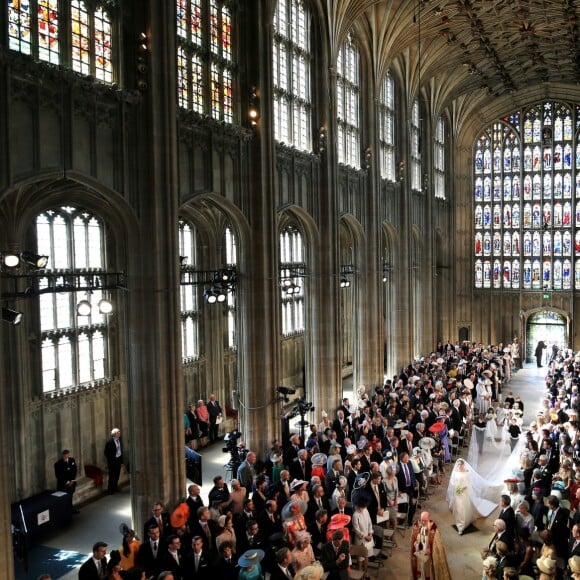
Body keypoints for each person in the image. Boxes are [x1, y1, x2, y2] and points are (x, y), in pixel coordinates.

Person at [447, 458, 498, 535]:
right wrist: (456, 488)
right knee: (458, 508)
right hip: (457, 493)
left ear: (463, 465)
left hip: (464, 492)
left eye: (461, 464)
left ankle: (461, 525)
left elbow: (468, 482)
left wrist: (463, 488)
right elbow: (453, 482)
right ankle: (459, 521)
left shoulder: (466, 472)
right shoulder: (455, 472)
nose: (460, 466)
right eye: (458, 465)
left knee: (462, 508)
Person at [410, 511, 451, 579]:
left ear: (429, 519)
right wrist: (415, 545)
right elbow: (413, 540)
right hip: (419, 557)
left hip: (429, 559)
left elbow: (437, 547)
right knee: (420, 573)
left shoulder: (433, 529)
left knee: (428, 574)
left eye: (425, 521)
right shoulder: (417, 525)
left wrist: (430, 550)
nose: (423, 522)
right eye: (422, 520)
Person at [54, 449, 80, 513]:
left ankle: (71, 509)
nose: (66, 457)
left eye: (67, 455)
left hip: (72, 483)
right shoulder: (58, 464)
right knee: (64, 498)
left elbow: (74, 471)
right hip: (63, 484)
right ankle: (65, 511)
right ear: (62, 455)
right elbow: (58, 476)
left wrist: (72, 481)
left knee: (70, 496)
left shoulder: (72, 460)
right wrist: (68, 482)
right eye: (65, 456)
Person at [104, 428, 124, 495]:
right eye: (118, 432)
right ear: (114, 434)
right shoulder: (109, 442)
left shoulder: (119, 440)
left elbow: (120, 450)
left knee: (117, 475)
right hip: (113, 461)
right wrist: (111, 460)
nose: (119, 433)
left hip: (118, 460)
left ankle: (115, 487)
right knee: (112, 476)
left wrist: (121, 461)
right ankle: (110, 490)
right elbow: (106, 452)